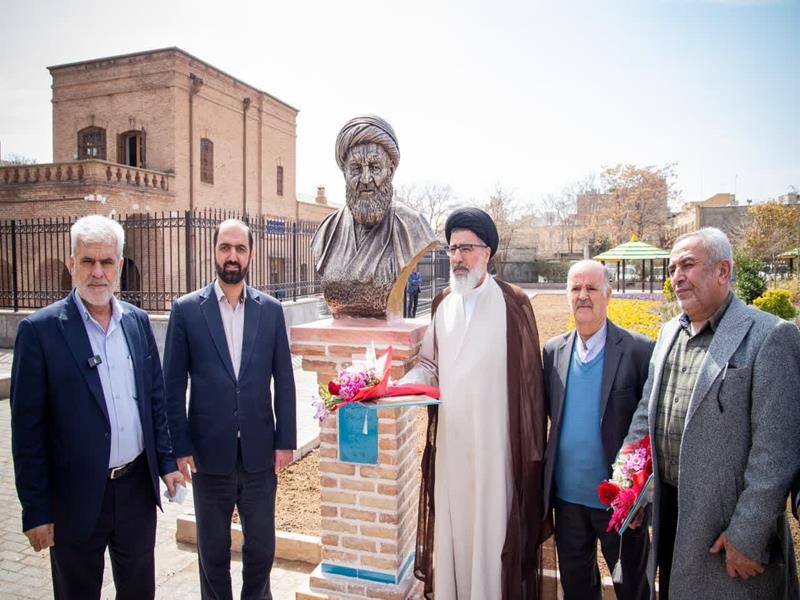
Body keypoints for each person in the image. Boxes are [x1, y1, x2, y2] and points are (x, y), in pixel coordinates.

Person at [10, 214, 183, 599]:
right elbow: (27, 432)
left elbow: (155, 401)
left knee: (139, 591)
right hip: (74, 498)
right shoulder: (40, 332)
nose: (98, 272)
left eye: (107, 261)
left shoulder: (137, 322)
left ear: (119, 265)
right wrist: (36, 509)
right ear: (72, 263)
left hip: (136, 490)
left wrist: (167, 464)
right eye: (88, 261)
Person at [623, 227, 800, 599]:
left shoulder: (770, 335)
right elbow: (645, 416)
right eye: (672, 269)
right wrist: (628, 489)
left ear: (723, 270)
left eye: (688, 265)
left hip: (727, 536)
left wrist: (747, 536)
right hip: (670, 516)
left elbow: (776, 452)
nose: (677, 277)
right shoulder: (668, 333)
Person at [403, 207, 550, 599]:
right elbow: (429, 366)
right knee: (455, 536)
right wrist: (396, 388)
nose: (458, 257)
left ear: (488, 252)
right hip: (452, 449)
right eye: (453, 249)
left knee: (492, 538)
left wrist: (530, 455)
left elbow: (531, 386)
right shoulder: (442, 303)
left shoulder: (513, 303)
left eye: (467, 248)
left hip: (495, 452)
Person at [164, 218, 296, 600]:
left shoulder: (271, 311)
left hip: (259, 455)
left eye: (240, 248)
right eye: (225, 247)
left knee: (262, 550)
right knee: (212, 554)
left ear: (251, 254)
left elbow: (284, 380)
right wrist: (180, 448)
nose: (232, 256)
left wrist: (285, 441)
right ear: (214, 251)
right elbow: (172, 386)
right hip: (208, 457)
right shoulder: (187, 310)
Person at [542, 260, 653, 600]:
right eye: (575, 288)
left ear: (609, 293)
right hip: (567, 501)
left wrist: (639, 497)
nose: (583, 295)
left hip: (620, 504)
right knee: (577, 589)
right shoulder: (553, 351)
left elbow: (649, 429)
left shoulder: (638, 350)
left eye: (591, 288)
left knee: (632, 589)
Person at [311, 115, 436, 318]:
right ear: (344, 173)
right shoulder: (327, 230)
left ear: (390, 170)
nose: (366, 179)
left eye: (375, 167)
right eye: (356, 169)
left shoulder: (412, 225)